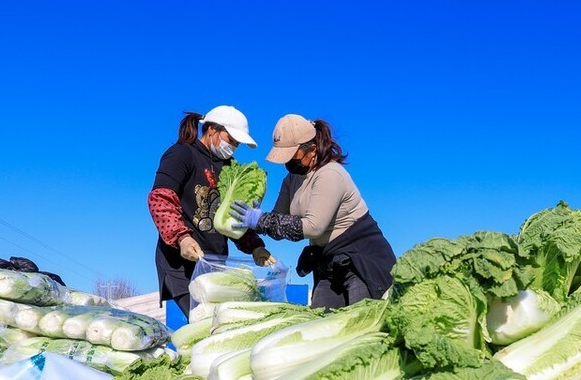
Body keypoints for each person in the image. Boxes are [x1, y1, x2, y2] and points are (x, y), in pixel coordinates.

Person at [230, 114, 395, 309]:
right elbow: (278, 221)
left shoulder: (330, 174)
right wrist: (252, 221)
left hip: (360, 259)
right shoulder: (291, 180)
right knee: (321, 320)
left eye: (292, 156)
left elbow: (313, 227)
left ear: (312, 149)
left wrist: (262, 221)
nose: (288, 163)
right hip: (327, 261)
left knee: (360, 323)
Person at [147, 105, 274, 320]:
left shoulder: (230, 168)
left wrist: (255, 246)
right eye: (231, 139)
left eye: (237, 143)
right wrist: (182, 238)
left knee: (221, 325)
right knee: (203, 323)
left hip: (214, 263)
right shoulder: (181, 154)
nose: (233, 146)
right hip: (182, 264)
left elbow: (233, 216)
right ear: (212, 129)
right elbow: (160, 199)